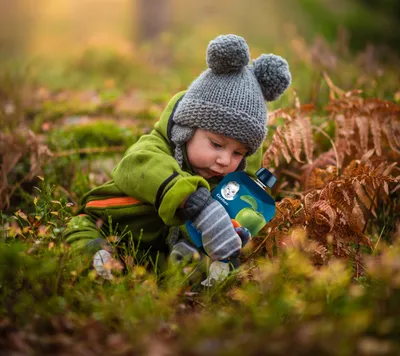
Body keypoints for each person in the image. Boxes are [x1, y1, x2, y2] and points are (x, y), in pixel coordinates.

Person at [63, 34, 291, 280]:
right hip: (107, 221)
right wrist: (196, 203)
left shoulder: (229, 185)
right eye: (216, 144)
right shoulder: (154, 148)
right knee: (82, 230)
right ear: (187, 130)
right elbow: (138, 165)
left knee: (203, 264)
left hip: (155, 249)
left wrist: (232, 232)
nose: (225, 160)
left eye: (238, 153)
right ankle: (96, 258)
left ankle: (182, 270)